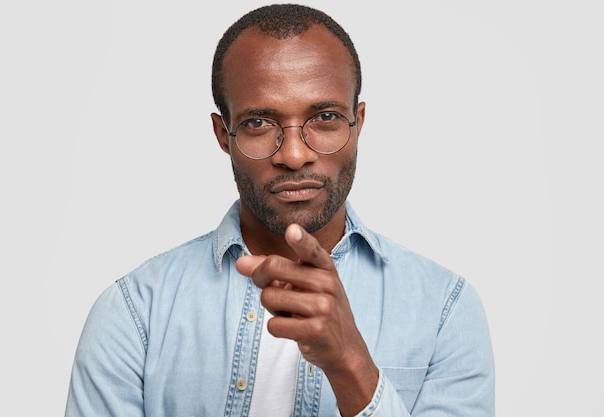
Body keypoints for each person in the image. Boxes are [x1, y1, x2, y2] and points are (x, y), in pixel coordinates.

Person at [65, 3, 495, 416]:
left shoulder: (444, 309)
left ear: (358, 122)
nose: (293, 155)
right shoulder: (136, 311)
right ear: (222, 134)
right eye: (258, 123)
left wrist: (350, 364)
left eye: (325, 117)